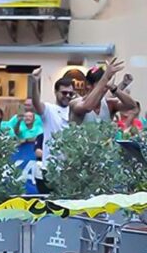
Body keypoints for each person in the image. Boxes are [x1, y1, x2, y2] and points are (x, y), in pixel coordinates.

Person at [30, 58, 123, 192]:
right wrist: (35, 82)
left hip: (73, 170)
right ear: (55, 92)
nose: (67, 95)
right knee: (51, 209)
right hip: (51, 169)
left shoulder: (75, 107)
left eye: (70, 93)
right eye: (63, 93)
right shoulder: (49, 110)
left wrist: (114, 82)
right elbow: (36, 103)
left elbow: (96, 98)